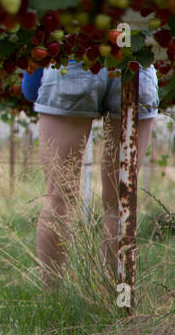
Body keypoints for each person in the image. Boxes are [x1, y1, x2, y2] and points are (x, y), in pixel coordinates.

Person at [32, 62, 159, 286]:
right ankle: (114, 297)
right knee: (120, 200)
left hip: (74, 58)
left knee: (58, 196)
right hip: (135, 62)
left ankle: (52, 299)